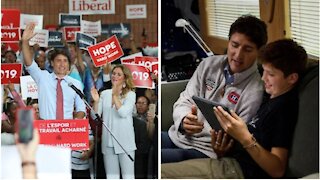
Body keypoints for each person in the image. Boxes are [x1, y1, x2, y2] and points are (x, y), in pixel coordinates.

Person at [161, 39, 308, 178]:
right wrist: (222, 148)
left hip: (237, 170)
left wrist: (245, 138)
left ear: (292, 78)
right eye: (264, 71)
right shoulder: (269, 98)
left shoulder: (284, 109)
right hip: (225, 158)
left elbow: (277, 169)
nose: (263, 79)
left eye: (271, 74)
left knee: (162, 172)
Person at [162, 15, 268, 163]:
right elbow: (185, 98)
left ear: (259, 52)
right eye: (235, 45)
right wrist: (184, 119)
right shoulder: (209, 65)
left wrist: (224, 148)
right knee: (148, 145)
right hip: (180, 136)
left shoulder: (255, 91)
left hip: (207, 150)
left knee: (158, 157)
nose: (238, 55)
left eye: (248, 49)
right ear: (229, 42)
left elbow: (239, 138)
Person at [21, 23, 86, 120]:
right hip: (46, 129)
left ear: (69, 64)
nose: (62, 64)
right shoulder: (43, 77)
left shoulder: (75, 84)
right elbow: (29, 64)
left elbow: (81, 108)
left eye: (65, 61)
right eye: (58, 61)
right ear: (52, 63)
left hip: (67, 129)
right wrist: (25, 41)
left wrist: (76, 121)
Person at [91, 64, 136, 179]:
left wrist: (115, 96)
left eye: (119, 74)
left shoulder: (130, 95)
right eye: (114, 73)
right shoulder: (105, 94)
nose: (115, 76)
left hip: (125, 142)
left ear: (125, 78)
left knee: (128, 177)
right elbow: (95, 116)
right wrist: (96, 101)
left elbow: (123, 112)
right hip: (108, 143)